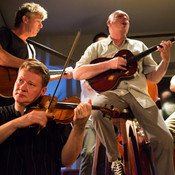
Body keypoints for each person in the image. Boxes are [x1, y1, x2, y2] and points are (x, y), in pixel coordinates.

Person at [73, 10, 174, 175]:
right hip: (112, 94)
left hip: (139, 96)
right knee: (97, 111)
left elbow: (154, 78)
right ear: (109, 23)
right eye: (119, 16)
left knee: (165, 139)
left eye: (127, 18)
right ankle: (115, 159)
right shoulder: (96, 48)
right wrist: (110, 64)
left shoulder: (139, 46)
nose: (124, 18)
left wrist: (165, 60)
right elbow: (78, 73)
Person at [0, 59, 92, 175]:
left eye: (31, 84)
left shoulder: (55, 118)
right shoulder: (2, 113)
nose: (22, 87)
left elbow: (67, 161)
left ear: (43, 91)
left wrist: (79, 127)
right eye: (20, 80)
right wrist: (18, 122)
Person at [0, 2, 73, 106]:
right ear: (25, 19)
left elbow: (35, 78)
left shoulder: (31, 49)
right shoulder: (5, 34)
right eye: (38, 21)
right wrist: (27, 65)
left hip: (14, 103)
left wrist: (61, 75)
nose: (41, 26)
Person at [79, 32, 107, 175]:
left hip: (107, 118)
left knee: (105, 158)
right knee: (90, 153)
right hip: (90, 118)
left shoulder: (112, 69)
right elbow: (91, 85)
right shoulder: (86, 66)